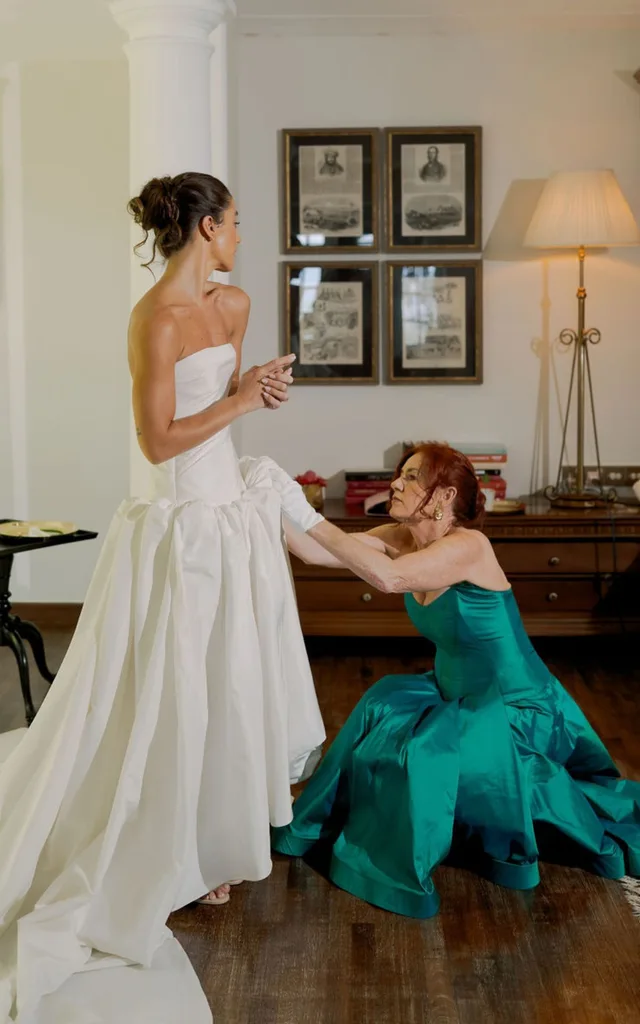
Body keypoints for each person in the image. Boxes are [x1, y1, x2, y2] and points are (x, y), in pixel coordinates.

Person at [0, 171, 352, 1023]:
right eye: (232, 223)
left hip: (230, 521)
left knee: (231, 685)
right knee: (175, 691)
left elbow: (227, 422)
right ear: (202, 228)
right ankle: (161, 844)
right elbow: (159, 441)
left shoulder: (232, 310)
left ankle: (216, 843)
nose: (238, 237)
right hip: (180, 530)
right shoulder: (153, 320)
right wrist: (238, 397)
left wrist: (255, 393)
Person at [274, 442, 640, 918]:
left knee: (425, 756)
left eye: (409, 477)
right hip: (455, 693)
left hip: (514, 707)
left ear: (444, 496)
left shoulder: (470, 546)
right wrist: (263, 502)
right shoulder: (404, 536)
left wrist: (302, 508)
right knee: (381, 709)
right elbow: (312, 552)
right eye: (399, 476)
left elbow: (387, 579)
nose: (395, 485)